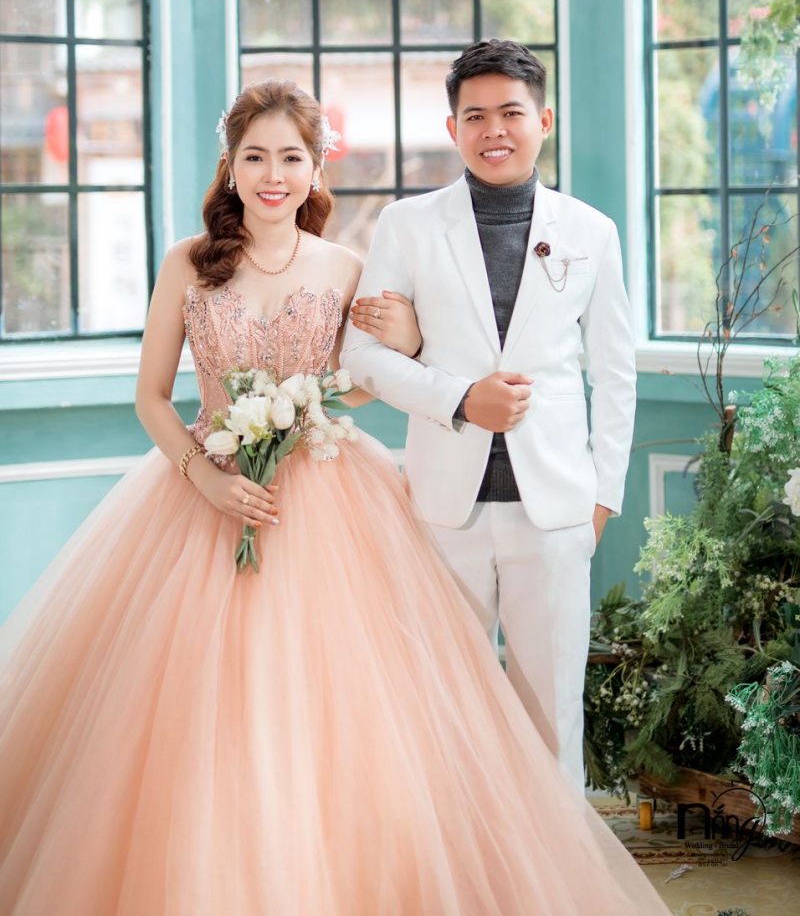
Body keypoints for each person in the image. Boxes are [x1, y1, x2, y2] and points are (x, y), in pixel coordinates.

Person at [0, 80, 667, 915]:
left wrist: (396, 350)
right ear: (231, 166)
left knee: (343, 708)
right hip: (206, 494)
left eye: (291, 158)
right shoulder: (186, 263)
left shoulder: (347, 266)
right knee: (201, 710)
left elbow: (366, 379)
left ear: (316, 169)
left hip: (327, 496)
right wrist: (207, 477)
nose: (272, 175)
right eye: (255, 157)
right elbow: (151, 398)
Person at [344, 39, 637, 792]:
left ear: (544, 120)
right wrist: (459, 399)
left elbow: (614, 372)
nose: (493, 130)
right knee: (447, 715)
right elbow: (362, 356)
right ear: (453, 129)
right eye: (474, 116)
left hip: (558, 510)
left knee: (553, 721)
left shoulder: (591, 231)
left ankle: (555, 868)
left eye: (511, 112)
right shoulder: (406, 226)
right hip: (445, 508)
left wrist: (603, 499)